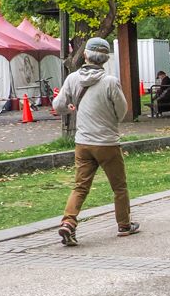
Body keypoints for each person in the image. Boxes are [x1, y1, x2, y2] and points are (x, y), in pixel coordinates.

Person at [53, 37, 139, 246]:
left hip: (82, 143)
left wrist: (70, 108)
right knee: (119, 186)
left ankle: (68, 222)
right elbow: (121, 111)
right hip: (107, 142)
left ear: (85, 55)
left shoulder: (72, 79)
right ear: (105, 58)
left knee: (80, 186)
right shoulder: (110, 81)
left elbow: (58, 105)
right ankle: (124, 225)